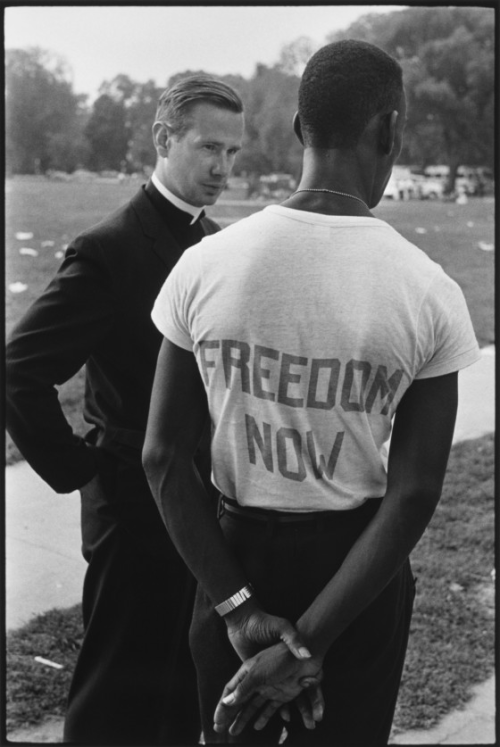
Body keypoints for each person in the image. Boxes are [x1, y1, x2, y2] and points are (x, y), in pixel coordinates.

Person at [142, 40, 481, 745]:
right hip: (358, 574)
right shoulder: (427, 290)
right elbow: (414, 490)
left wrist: (237, 609)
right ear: (388, 131)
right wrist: (313, 642)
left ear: (299, 129)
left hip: (230, 558)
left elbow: (163, 456)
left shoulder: (202, 265)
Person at [6, 74, 249, 745]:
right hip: (132, 507)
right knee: (115, 697)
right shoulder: (108, 249)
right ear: (163, 138)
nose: (222, 168)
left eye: (233, 153)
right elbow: (18, 369)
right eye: (208, 148)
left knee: (180, 692)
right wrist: (81, 471)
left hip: (201, 506)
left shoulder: (219, 245)